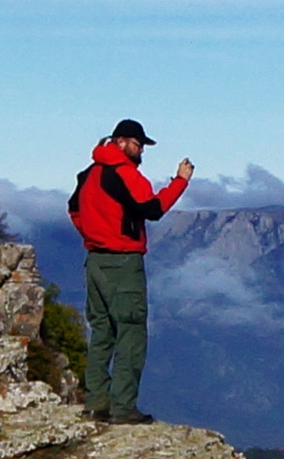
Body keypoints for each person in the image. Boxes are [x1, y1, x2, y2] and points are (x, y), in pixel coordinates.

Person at [68, 118, 193, 422]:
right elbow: (153, 209)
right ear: (122, 142)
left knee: (101, 331)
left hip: (94, 261)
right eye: (138, 145)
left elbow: (73, 208)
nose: (141, 152)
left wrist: (92, 235)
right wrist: (180, 181)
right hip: (123, 263)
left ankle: (96, 403)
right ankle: (123, 408)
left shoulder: (88, 174)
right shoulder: (126, 175)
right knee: (131, 332)